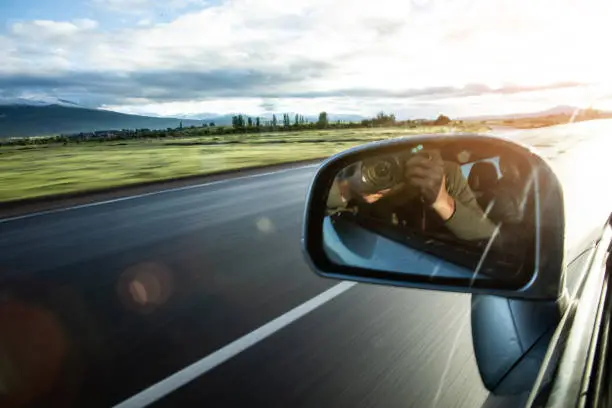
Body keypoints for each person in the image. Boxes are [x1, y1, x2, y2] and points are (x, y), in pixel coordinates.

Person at [327, 149, 497, 242]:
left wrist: (441, 200)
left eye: (397, 154)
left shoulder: (444, 175)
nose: (383, 169)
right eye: (376, 162)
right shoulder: (356, 179)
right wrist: (347, 188)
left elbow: (490, 239)